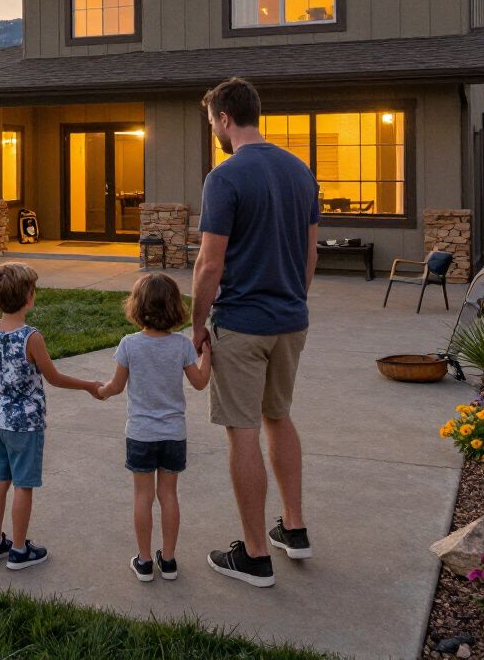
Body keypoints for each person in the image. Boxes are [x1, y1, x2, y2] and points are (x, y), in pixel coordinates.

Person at [191, 77, 319, 588]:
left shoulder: (225, 176)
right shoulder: (300, 171)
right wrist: (293, 300)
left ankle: (255, 555)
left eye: (212, 123)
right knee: (279, 418)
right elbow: (310, 256)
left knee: (242, 431)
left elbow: (208, 263)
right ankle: (295, 528)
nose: (214, 131)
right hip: (291, 320)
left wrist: (197, 325)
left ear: (224, 118)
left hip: (241, 325)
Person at [0, 262, 101, 570]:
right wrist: (88, 385)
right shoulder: (31, 337)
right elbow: (54, 377)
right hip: (25, 424)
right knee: (23, 484)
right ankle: (20, 550)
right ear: (29, 297)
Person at [97, 272, 210, 582]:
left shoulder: (129, 345)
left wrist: (102, 390)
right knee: (169, 496)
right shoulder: (182, 346)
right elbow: (200, 383)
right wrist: (208, 356)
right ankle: (169, 560)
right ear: (175, 308)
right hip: (174, 434)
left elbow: (116, 386)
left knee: (143, 497)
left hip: (141, 434)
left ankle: (145, 561)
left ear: (137, 307)